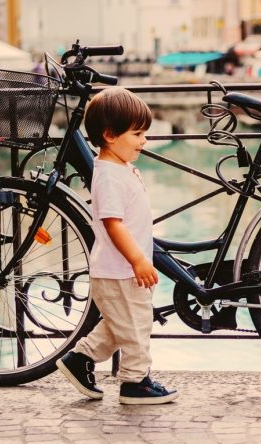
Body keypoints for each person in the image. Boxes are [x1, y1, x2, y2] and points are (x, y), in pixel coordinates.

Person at [56, 87, 178, 405]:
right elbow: (113, 224)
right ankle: (135, 383)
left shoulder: (118, 168)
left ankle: (79, 359)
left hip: (120, 272)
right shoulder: (108, 175)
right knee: (136, 327)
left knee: (120, 325)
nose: (144, 141)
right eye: (137, 134)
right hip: (121, 271)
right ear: (110, 135)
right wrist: (138, 260)